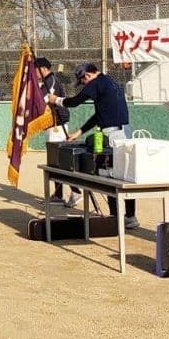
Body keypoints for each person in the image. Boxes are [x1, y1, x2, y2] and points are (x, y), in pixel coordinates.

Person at [49, 62, 138, 228]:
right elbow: (99, 115)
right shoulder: (108, 81)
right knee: (125, 175)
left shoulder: (96, 83)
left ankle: (115, 217)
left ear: (87, 75)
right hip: (124, 131)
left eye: (82, 82)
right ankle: (130, 216)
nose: (83, 85)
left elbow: (74, 101)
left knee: (109, 175)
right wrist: (79, 132)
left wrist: (56, 100)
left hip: (114, 135)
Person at [35, 57, 79, 207]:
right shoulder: (46, 82)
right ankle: (59, 195)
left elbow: (45, 100)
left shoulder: (51, 81)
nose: (34, 73)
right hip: (52, 124)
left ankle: (76, 191)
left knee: (61, 160)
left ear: (43, 69)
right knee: (55, 160)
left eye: (36, 70)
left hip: (58, 125)